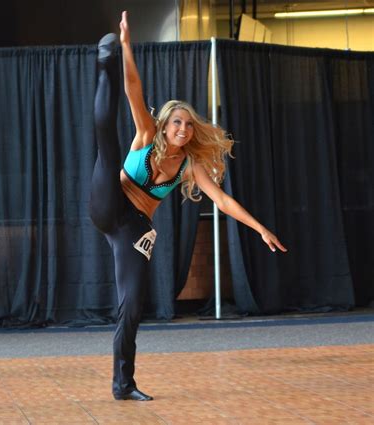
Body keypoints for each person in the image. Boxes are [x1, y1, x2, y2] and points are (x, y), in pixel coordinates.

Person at [89, 11, 287, 402]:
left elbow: (223, 200)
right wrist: (126, 45)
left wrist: (259, 227)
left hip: (135, 227)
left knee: (131, 306)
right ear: (165, 126)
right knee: (107, 146)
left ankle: (122, 384)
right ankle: (103, 63)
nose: (183, 129)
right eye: (177, 123)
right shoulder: (146, 132)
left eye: (189, 125)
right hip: (108, 202)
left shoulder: (190, 165)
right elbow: (133, 89)